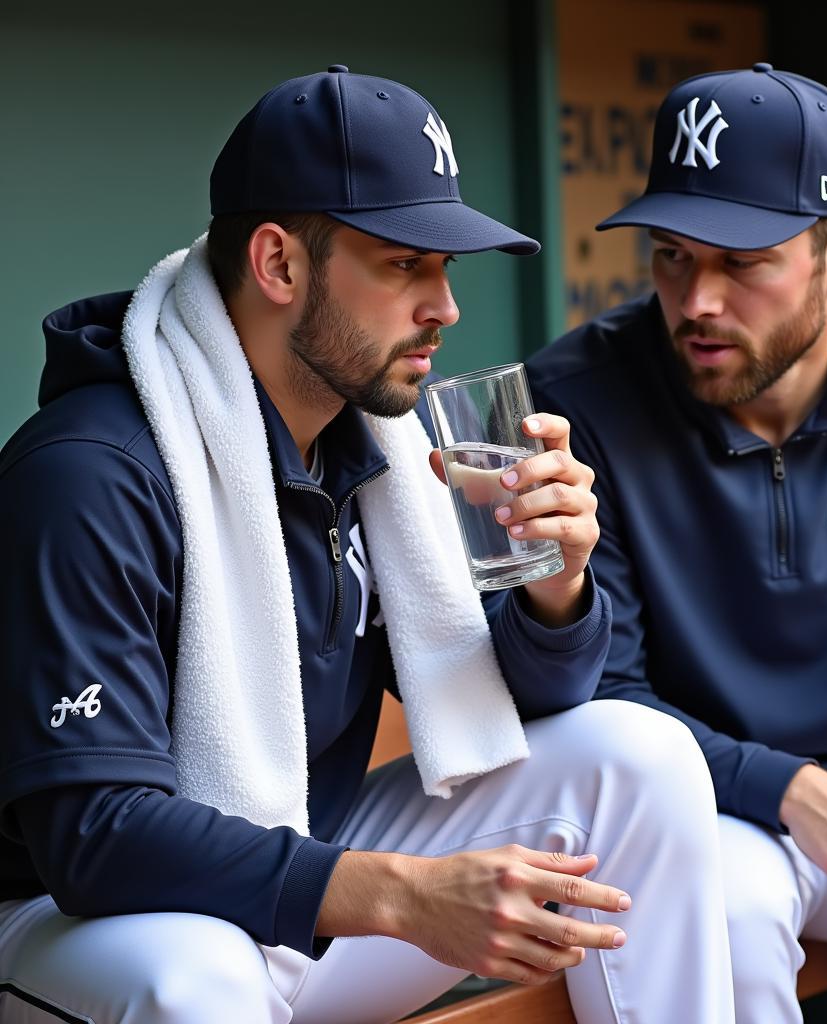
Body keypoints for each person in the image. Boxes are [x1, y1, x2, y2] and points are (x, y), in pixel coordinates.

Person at [0, 66, 734, 1023]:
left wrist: (558, 588)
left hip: (304, 878)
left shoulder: (368, 448)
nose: (446, 308)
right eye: (403, 264)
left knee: (640, 754)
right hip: (78, 922)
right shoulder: (93, 471)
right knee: (195, 979)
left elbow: (525, 708)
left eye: (446, 268)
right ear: (278, 264)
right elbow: (92, 836)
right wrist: (400, 895)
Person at [527, 62, 827, 1023]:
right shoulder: (580, 398)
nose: (697, 299)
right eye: (671, 254)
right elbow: (605, 699)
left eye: (742, 261)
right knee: (725, 917)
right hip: (695, 811)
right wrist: (785, 785)